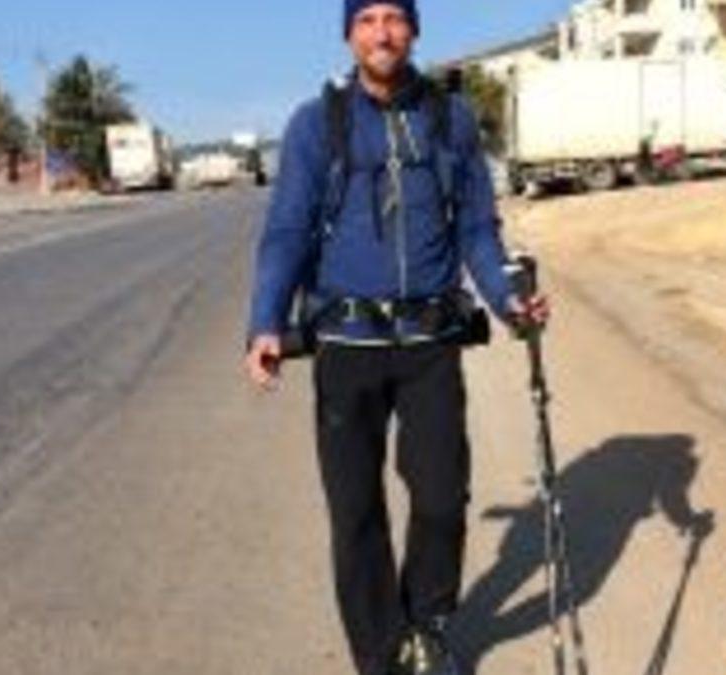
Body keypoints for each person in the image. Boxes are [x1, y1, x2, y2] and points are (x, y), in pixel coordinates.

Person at [243, 2, 548, 673]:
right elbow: (287, 231)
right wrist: (265, 321)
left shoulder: (451, 119)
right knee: (356, 513)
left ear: (414, 28)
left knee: (441, 499)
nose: (382, 32)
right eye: (367, 19)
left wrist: (508, 300)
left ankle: (427, 625)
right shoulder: (315, 124)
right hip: (346, 345)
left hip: (429, 342)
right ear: (349, 34)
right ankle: (380, 656)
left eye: (394, 17)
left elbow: (477, 227)